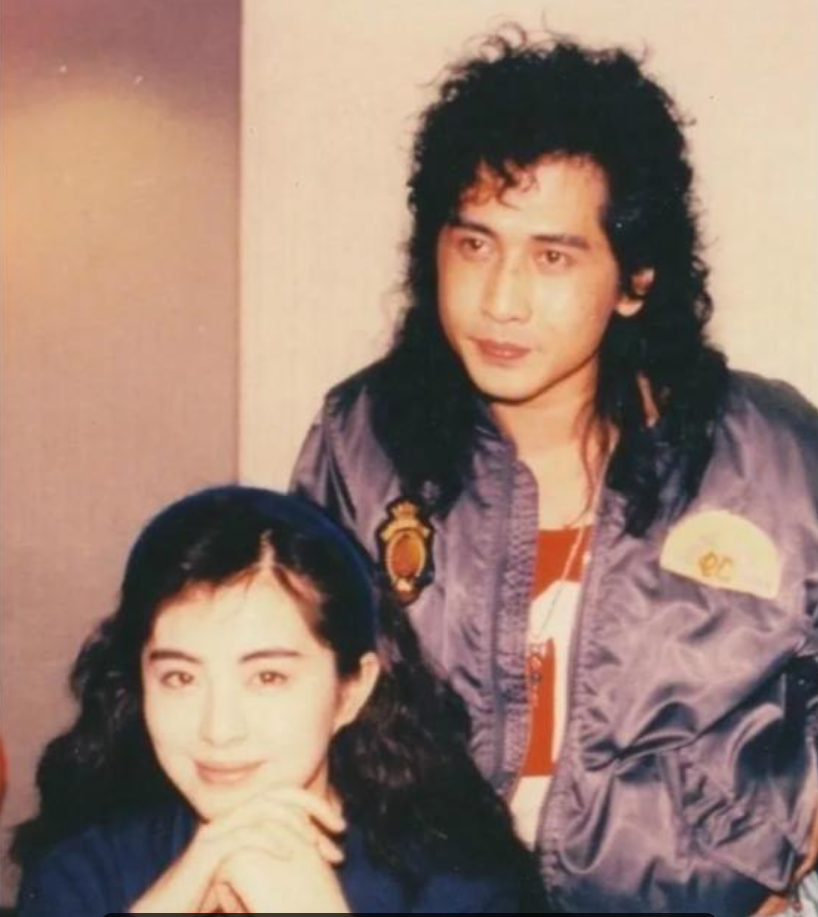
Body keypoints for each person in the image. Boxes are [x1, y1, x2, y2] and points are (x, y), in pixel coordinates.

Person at [290, 26, 818, 916]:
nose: (502, 300)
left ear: (635, 278)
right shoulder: (364, 438)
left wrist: (791, 869)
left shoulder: (770, 452)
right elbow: (296, 678)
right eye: (475, 244)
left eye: (553, 256)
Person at [13, 486, 544, 914]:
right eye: (180, 678)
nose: (219, 730)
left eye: (267, 677)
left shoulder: (461, 889)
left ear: (351, 691)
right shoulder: (83, 875)